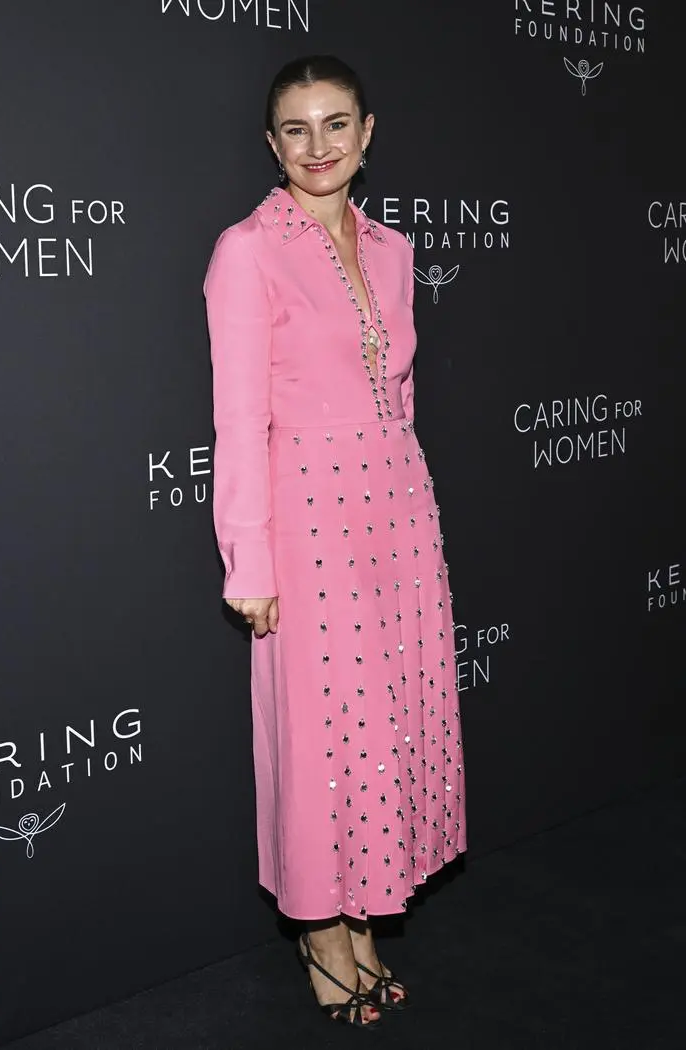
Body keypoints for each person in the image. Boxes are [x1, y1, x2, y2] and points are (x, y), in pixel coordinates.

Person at [203, 54, 467, 1028]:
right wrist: (249, 558)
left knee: (384, 723)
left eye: (337, 124)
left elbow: (399, 390)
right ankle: (321, 929)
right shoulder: (247, 251)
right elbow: (238, 418)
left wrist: (413, 502)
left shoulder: (393, 248)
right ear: (273, 145)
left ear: (367, 133)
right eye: (297, 129)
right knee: (320, 732)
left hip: (397, 509)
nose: (319, 146)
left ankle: (363, 911)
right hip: (307, 515)